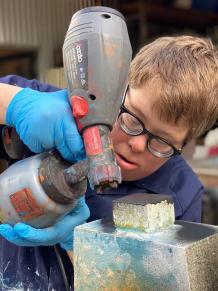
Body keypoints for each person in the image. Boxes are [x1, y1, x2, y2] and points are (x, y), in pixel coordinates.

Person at [0, 35, 218, 289]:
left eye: (162, 142)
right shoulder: (59, 112)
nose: (136, 144)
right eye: (133, 119)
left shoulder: (181, 194)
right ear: (117, 91)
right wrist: (17, 105)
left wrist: (81, 244)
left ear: (185, 145)